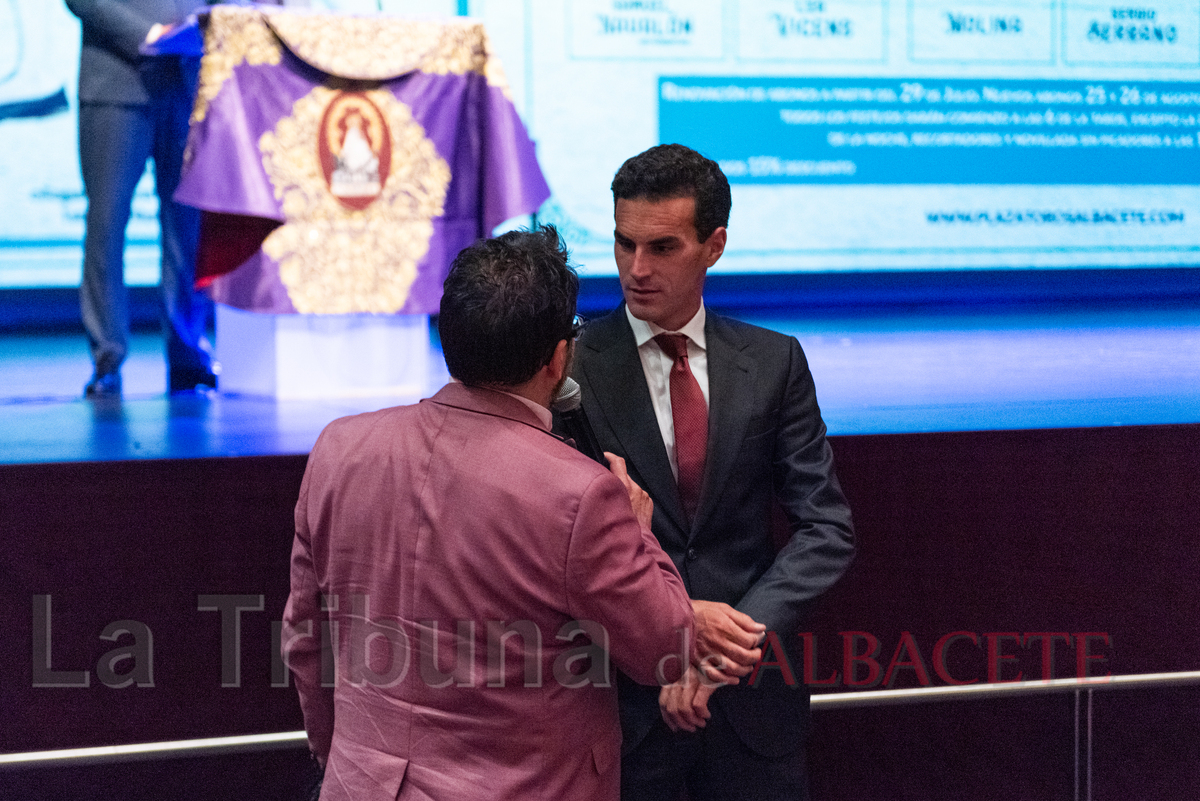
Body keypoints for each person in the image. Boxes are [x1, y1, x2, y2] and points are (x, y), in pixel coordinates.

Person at [281, 226, 695, 801]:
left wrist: (344, 766)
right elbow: (665, 650)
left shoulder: (338, 448)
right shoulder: (585, 496)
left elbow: (306, 639)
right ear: (558, 357)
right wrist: (639, 531)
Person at [566, 144, 856, 800]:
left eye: (662, 247)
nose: (635, 269)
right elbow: (560, 549)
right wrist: (676, 625)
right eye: (622, 244)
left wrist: (724, 648)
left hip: (752, 711)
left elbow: (825, 529)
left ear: (714, 245)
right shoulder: (571, 369)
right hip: (628, 712)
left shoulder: (774, 361)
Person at [66, 0, 220, 396]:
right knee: (107, 226)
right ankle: (107, 357)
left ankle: (188, 355)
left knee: (187, 229)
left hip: (188, 84)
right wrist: (147, 35)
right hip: (116, 85)